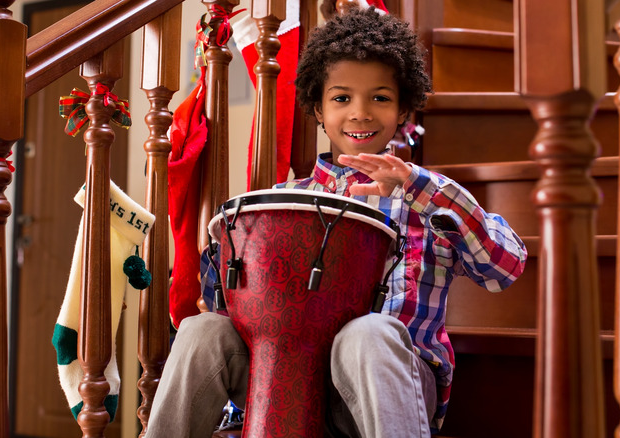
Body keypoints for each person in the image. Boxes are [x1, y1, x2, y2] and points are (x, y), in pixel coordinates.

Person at [145, 7, 527, 437]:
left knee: (368, 333)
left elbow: (505, 268)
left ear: (403, 110)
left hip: (381, 395)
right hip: (281, 385)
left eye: (380, 98)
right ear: (318, 110)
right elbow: (239, 312)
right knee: (202, 330)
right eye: (342, 98)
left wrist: (421, 189)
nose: (360, 113)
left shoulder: (432, 199)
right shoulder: (286, 205)